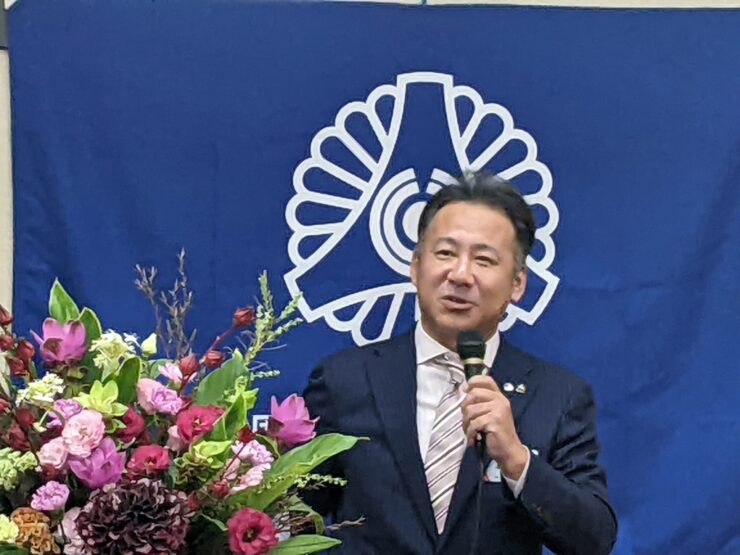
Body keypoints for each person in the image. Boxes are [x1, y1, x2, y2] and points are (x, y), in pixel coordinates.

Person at [303, 171, 617, 554]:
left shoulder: (558, 396)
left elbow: (593, 539)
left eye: (483, 259)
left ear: (517, 283)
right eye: (445, 253)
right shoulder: (343, 380)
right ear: (415, 266)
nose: (460, 274)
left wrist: (516, 460)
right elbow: (292, 520)